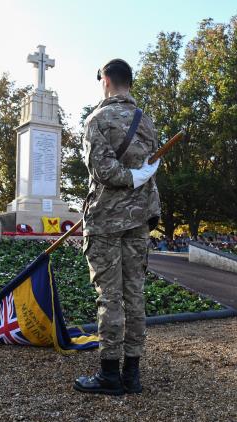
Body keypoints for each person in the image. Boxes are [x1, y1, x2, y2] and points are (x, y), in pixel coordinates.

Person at [74, 59, 160, 396]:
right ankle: (133, 374)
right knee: (134, 294)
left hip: (107, 219)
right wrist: (140, 183)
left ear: (106, 79)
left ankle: (110, 374)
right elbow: (150, 171)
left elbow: (102, 171)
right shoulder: (147, 123)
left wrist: (128, 177)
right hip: (139, 217)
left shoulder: (97, 119)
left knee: (110, 297)